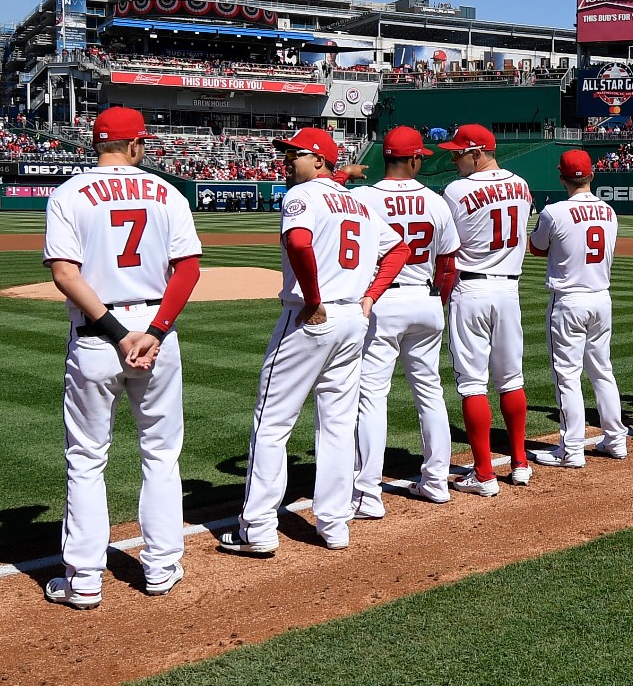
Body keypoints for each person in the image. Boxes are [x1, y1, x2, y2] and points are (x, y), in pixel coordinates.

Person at [219, 128, 408, 555]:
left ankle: (259, 530)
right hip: (351, 321)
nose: (286, 161)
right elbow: (397, 250)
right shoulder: (356, 200)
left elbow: (299, 241)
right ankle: (335, 524)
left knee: (272, 423)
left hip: (312, 318)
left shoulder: (301, 196)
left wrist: (315, 297)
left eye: (294, 155)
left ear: (318, 160)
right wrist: (369, 298)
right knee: (339, 424)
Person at [41, 107, 202, 607]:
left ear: (96, 144)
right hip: (158, 335)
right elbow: (189, 270)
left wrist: (117, 333)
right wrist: (151, 331)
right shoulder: (167, 192)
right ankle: (160, 567)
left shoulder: (69, 193)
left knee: (87, 459)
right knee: (161, 453)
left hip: (97, 337)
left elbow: (66, 275)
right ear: (136, 146)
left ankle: (84, 580)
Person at [347, 126, 461, 511]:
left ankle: (367, 494)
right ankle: (437, 481)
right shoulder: (437, 200)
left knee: (372, 397)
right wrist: (437, 303)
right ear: (413, 159)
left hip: (380, 300)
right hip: (424, 299)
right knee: (430, 392)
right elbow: (448, 265)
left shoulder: (363, 197)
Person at [436, 123, 536, 495]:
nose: (453, 158)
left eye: (459, 152)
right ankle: (521, 462)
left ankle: (483, 474)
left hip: (471, 287)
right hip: (509, 289)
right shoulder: (522, 185)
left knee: (472, 383)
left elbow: (445, 248)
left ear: (478, 153)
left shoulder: (457, 190)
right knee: (512, 379)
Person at [525, 149, 629, 465]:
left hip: (569, 300)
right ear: (592, 175)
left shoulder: (553, 212)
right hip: (601, 297)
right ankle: (616, 441)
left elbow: (536, 247)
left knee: (567, 375)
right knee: (602, 371)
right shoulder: (610, 212)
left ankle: (571, 450)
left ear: (561, 177)